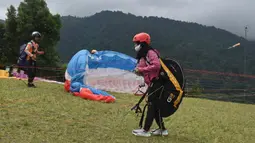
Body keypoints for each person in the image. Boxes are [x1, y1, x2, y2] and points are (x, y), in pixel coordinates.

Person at [132, 32, 168, 137]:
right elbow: (146, 70)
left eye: (137, 43)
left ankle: (146, 130)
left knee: (151, 105)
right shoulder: (143, 55)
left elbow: (156, 65)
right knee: (155, 107)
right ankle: (162, 130)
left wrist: (141, 69)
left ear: (142, 43)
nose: (135, 45)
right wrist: (140, 73)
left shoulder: (150, 53)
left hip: (157, 83)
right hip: (152, 83)